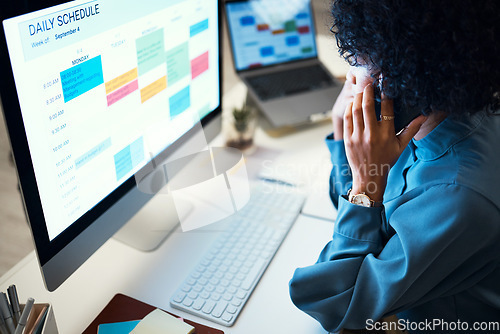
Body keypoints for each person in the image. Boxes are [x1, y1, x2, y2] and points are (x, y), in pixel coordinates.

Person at [289, 0, 500, 333]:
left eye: (358, 59)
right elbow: (360, 220)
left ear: (397, 71)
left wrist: (365, 187)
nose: (352, 72)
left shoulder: (457, 197)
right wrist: (345, 137)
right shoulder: (429, 115)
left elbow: (337, 307)